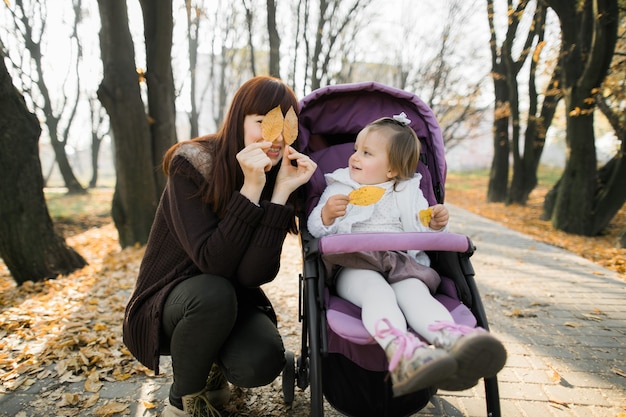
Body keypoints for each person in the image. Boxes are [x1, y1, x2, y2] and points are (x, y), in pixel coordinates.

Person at [123, 76, 317, 417]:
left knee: (261, 362)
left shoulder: (281, 172)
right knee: (212, 292)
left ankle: (211, 369)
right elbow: (212, 262)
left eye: (288, 125)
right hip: (171, 303)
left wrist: (281, 193)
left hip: (232, 299)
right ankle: (183, 402)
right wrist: (250, 190)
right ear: (238, 118)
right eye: (262, 122)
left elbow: (254, 274)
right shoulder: (193, 163)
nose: (277, 136)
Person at [307, 113, 506, 397]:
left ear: (392, 170)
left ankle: (453, 342)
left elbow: (420, 225)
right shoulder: (341, 186)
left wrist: (436, 222)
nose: (354, 158)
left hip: (403, 262)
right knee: (378, 294)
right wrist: (327, 216)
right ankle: (403, 352)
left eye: (366, 153)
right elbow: (316, 228)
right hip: (354, 263)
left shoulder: (409, 189)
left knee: (416, 294)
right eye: (355, 150)